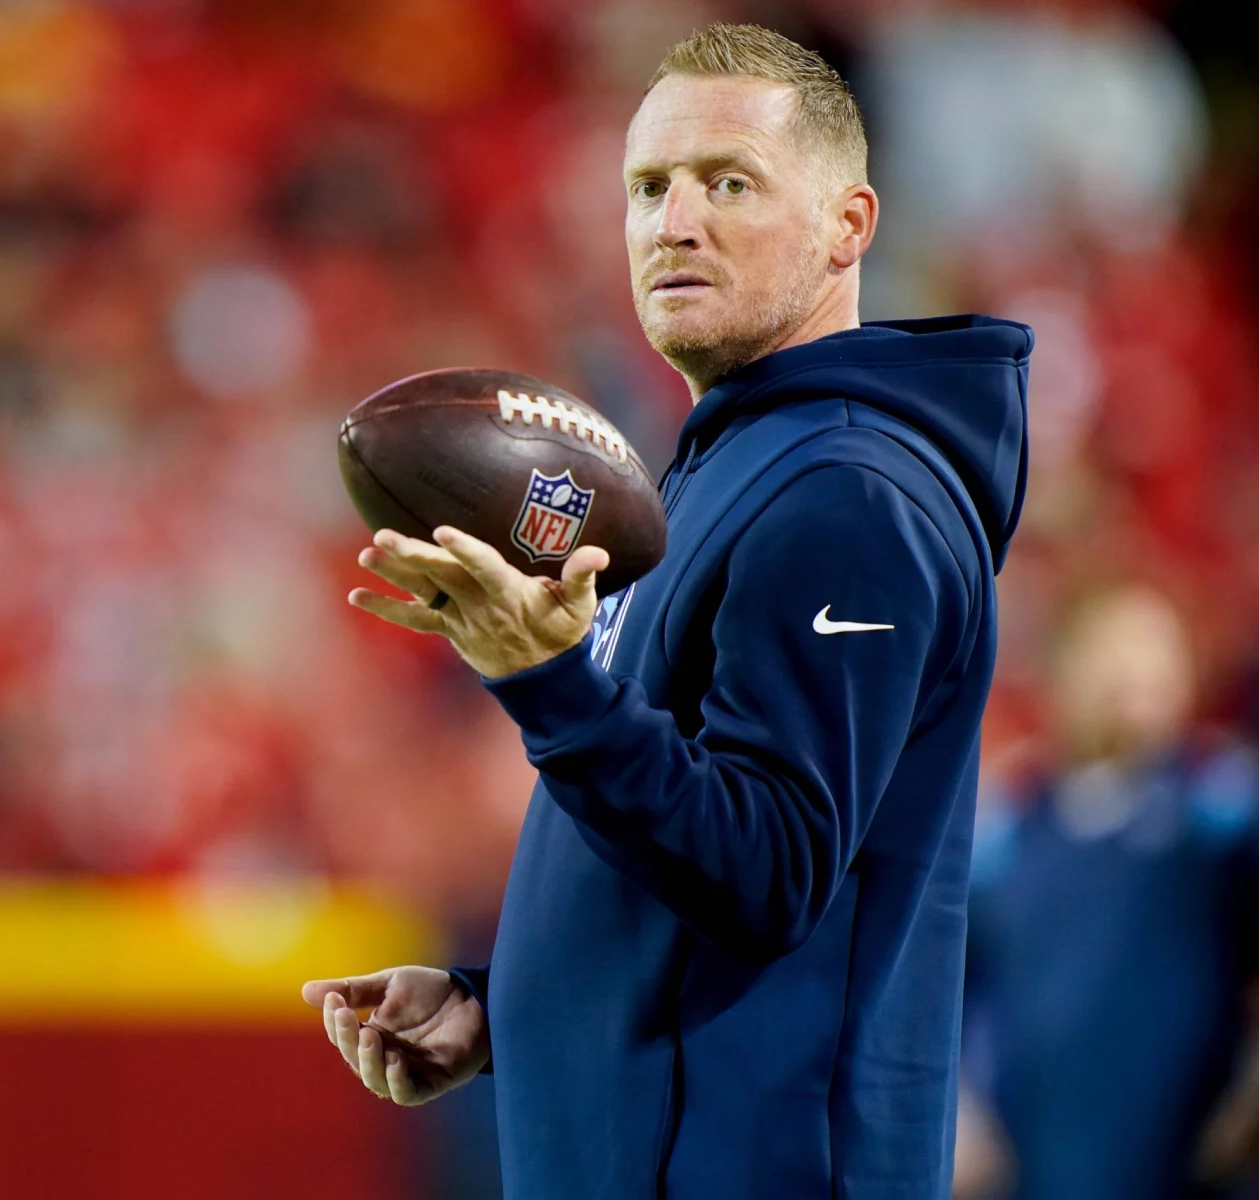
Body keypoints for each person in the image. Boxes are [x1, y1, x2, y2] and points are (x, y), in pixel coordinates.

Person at [301, 23, 1032, 1199]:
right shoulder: (720, 467)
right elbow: (688, 846)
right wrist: (512, 1006)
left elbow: (773, 869)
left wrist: (550, 685)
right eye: (648, 187)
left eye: (728, 183)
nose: (672, 222)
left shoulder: (846, 495)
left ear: (851, 225)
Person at [957, 587, 1259, 1200]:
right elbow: (949, 990)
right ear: (1064, 674)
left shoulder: (1222, 813)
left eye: (1153, 656)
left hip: (1188, 1167)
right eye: (1112, 655)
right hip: (1032, 1168)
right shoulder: (1002, 829)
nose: (1132, 678)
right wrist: (958, 1112)